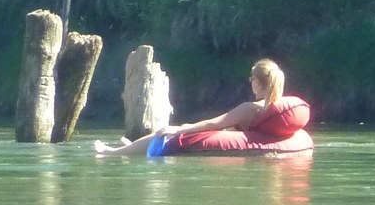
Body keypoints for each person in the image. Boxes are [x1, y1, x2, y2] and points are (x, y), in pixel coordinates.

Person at [94, 58, 286, 156]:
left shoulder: (249, 108)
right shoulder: (277, 106)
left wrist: (178, 129)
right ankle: (133, 148)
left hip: (222, 142)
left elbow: (213, 124)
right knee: (181, 127)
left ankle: (112, 153)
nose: (250, 81)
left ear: (258, 83)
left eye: (252, 78)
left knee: (169, 131)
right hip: (252, 142)